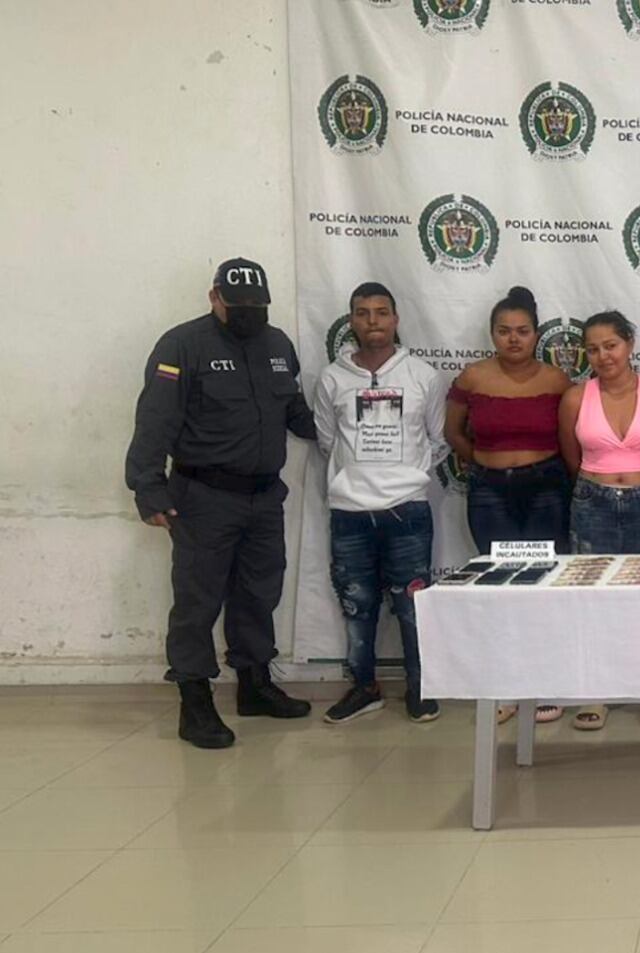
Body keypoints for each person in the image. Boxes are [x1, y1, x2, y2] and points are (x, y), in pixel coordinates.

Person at [125, 258, 315, 749]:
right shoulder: (182, 345)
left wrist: (344, 425)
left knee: (259, 593)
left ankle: (254, 685)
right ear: (215, 298)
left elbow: (293, 408)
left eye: (257, 304)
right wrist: (148, 487)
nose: (249, 312)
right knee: (197, 600)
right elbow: (155, 420)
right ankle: (194, 701)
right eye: (238, 304)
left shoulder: (278, 345)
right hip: (203, 497)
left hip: (264, 496)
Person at [313, 282, 448, 724]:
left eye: (381, 312)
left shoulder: (423, 376)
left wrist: (405, 477)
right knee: (357, 606)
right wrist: (354, 478)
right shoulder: (332, 379)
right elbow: (328, 440)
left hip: (406, 509)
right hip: (350, 513)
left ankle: (419, 688)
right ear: (351, 320)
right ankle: (364, 688)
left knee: (412, 607)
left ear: (395, 319)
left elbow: (438, 439)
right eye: (363, 312)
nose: (373, 321)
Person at [444, 286, 572, 724]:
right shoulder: (473, 378)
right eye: (504, 331)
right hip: (490, 492)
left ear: (536, 334)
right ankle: (505, 685)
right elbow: (453, 432)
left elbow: (571, 436)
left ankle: (546, 684)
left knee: (543, 585)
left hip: (546, 489)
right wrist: (482, 460)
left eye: (522, 331)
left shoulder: (556, 380)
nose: (513, 339)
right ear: (491, 334)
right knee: (499, 586)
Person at [557, 310, 640, 729]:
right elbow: (572, 458)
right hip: (592, 503)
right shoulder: (576, 398)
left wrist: (638, 483)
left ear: (629, 344)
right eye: (593, 349)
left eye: (611, 345)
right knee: (592, 597)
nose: (603, 356)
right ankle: (596, 690)